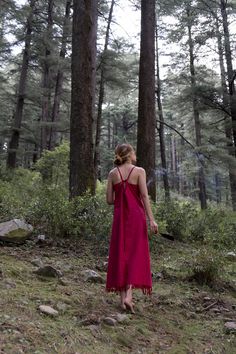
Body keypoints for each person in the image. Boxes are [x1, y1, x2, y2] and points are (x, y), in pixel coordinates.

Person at [105, 143, 158, 314]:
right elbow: (144, 196)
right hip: (136, 217)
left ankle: (122, 301)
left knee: (121, 254)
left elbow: (109, 200)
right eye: (134, 152)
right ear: (129, 155)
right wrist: (152, 220)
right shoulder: (139, 171)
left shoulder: (113, 174)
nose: (135, 155)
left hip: (120, 218)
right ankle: (128, 297)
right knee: (134, 254)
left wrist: (122, 196)